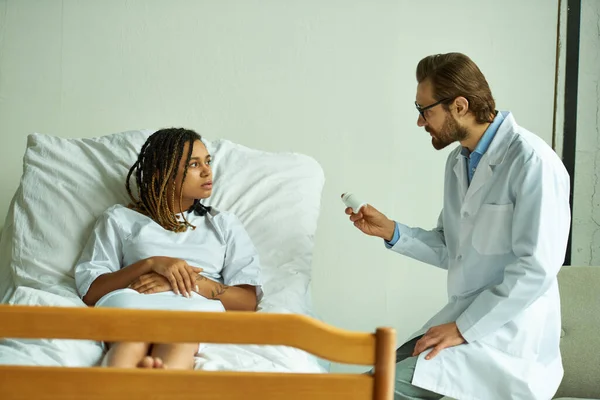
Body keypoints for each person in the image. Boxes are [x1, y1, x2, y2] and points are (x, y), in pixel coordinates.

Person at [345, 53, 570, 399]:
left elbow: (535, 269)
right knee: (357, 383)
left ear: (460, 106)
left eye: (425, 111)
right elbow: (454, 247)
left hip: (509, 339)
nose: (420, 122)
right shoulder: (459, 161)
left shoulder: (532, 162)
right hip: (465, 325)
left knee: (369, 392)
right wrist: (391, 230)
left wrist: (464, 329)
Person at [75, 128, 262, 370]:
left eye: (207, 162)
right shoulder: (120, 219)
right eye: (194, 164)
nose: (207, 171)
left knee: (180, 341)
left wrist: (182, 280)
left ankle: (151, 386)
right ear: (161, 174)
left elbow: (247, 302)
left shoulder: (223, 224)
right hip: (132, 307)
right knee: (129, 342)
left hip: (191, 312)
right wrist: (151, 264)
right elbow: (91, 292)